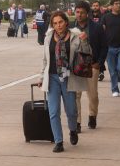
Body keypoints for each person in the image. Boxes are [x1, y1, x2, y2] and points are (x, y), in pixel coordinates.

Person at [37, 11, 89, 153]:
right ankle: (58, 141)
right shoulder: (48, 38)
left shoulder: (76, 36)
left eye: (60, 22)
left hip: (69, 78)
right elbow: (45, 60)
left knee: (71, 111)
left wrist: (84, 41)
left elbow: (86, 53)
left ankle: (73, 130)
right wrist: (42, 77)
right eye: (55, 23)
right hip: (52, 78)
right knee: (53, 112)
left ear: (66, 22)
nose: (58, 25)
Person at [72, 1, 107, 132]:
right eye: (77, 12)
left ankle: (92, 116)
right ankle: (77, 122)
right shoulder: (70, 27)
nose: (79, 15)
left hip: (92, 65)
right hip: (75, 67)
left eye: (82, 12)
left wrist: (99, 62)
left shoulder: (96, 28)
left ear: (88, 13)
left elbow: (104, 46)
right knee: (75, 95)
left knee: (92, 95)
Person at [89, 1, 106, 81]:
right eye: (94, 5)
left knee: (100, 55)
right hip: (92, 38)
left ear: (99, 6)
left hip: (101, 37)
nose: (95, 7)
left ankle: (101, 71)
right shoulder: (89, 15)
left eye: (97, 5)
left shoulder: (103, 15)